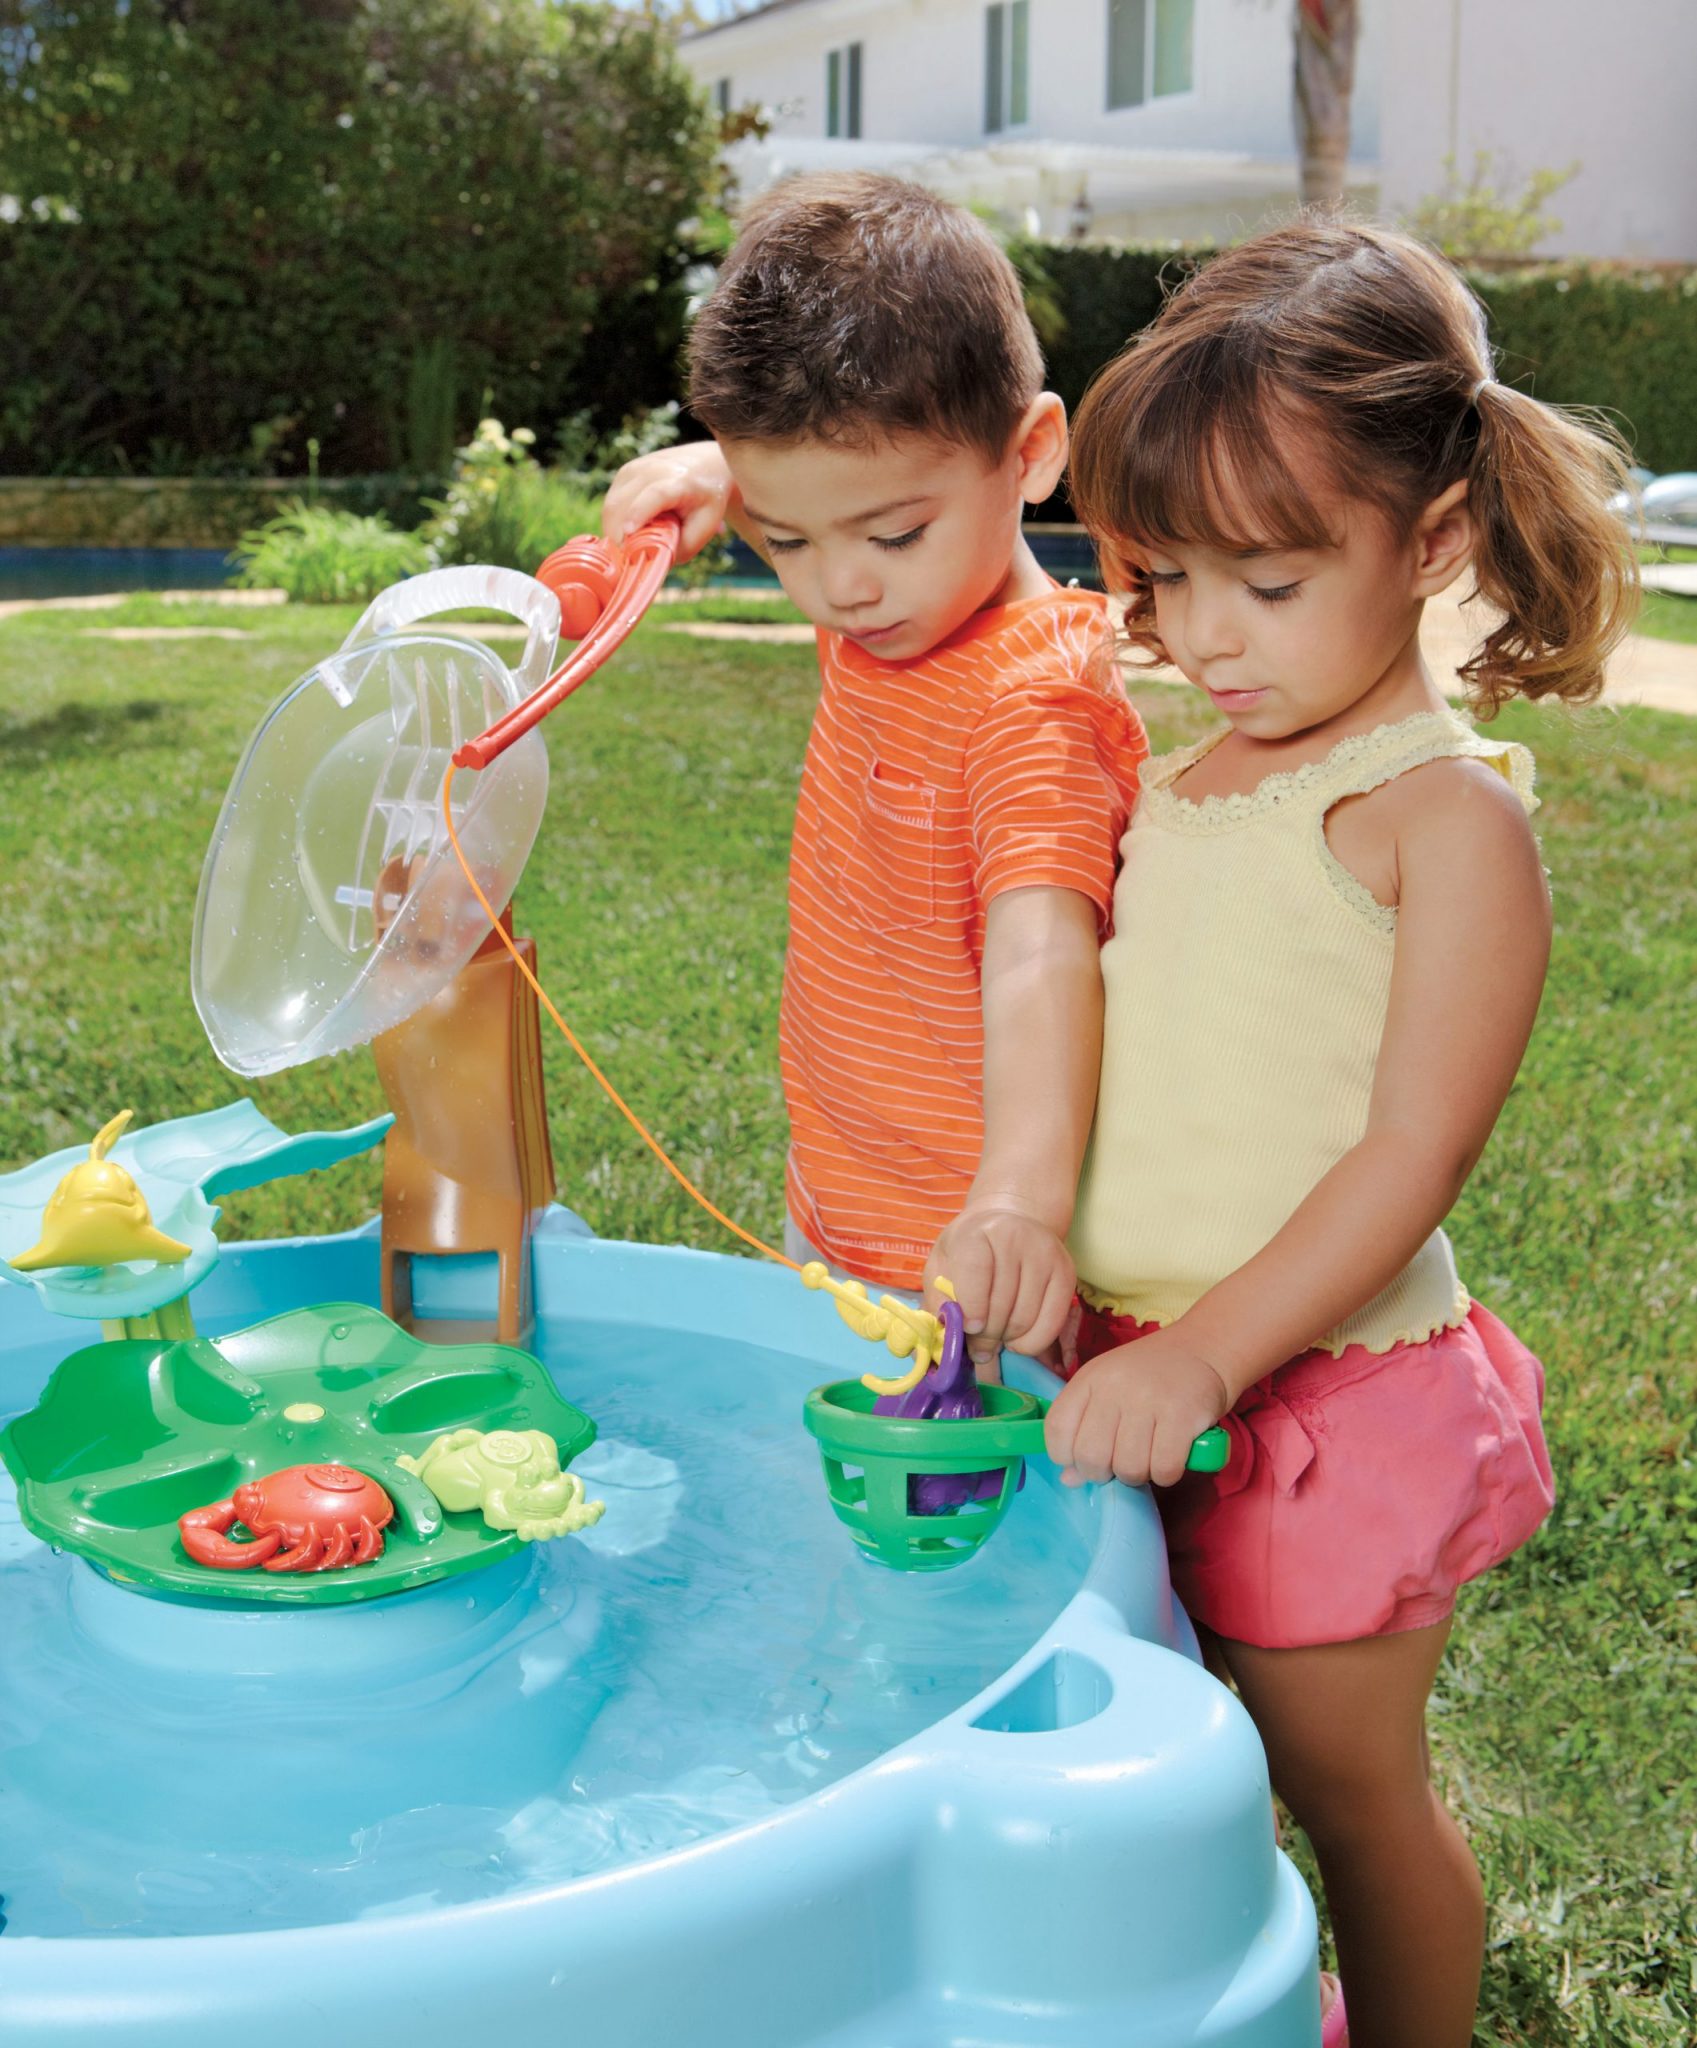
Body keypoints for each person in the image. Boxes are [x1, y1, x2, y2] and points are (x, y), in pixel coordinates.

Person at [1052, 221, 1638, 2048]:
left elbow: (1405, 1159)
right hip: (1138, 1369)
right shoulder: (1175, 775)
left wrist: (1215, 1349)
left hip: (1321, 1399)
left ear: (1433, 542)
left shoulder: (1434, 817)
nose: (1204, 634)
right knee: (1184, 1759)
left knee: (1345, 1789)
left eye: (1269, 581)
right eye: (1167, 576)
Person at [603, 172, 1147, 1364]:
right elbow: (824, 495)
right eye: (782, 539)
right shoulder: (894, 599)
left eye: (889, 533)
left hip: (974, 1260)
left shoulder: (1033, 700)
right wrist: (712, 478)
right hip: (841, 1192)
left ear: (1033, 452)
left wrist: (1015, 1203)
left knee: (971, 1524)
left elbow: (1042, 954)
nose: (835, 587)